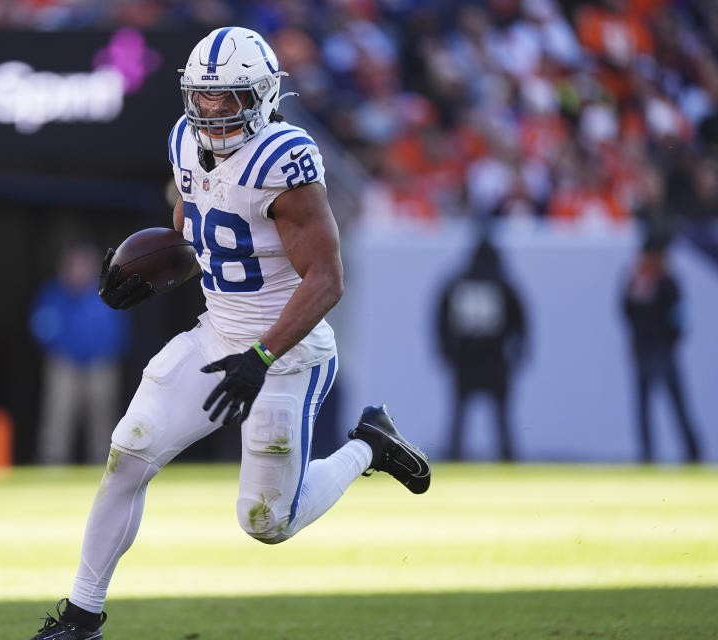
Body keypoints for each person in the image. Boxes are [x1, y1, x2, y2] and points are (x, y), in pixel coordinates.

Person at [26, 27, 431, 640]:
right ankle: (82, 618)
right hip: (218, 335)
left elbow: (326, 279)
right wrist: (146, 276)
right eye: (203, 96)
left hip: (286, 351)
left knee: (267, 522)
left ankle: (368, 445)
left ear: (264, 95)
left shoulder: (284, 160)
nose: (212, 111)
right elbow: (202, 240)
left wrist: (262, 355)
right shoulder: (184, 142)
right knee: (128, 451)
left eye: (229, 97)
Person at [30, 241, 130, 465]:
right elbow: (40, 328)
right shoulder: (53, 293)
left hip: (100, 364)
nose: (77, 270)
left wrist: (103, 353)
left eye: (82, 265)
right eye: (73, 265)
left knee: (103, 419)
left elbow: (120, 331)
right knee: (58, 417)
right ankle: (52, 465)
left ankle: (104, 467)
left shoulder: (106, 291)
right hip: (64, 364)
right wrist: (62, 350)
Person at [436, 236, 527, 462]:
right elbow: (521, 320)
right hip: (494, 358)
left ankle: (455, 456)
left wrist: (446, 350)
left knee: (459, 415)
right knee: (501, 417)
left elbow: (440, 318)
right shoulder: (503, 284)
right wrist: (518, 351)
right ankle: (507, 457)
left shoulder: (457, 283)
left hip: (465, 359)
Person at [622, 234, 701, 463]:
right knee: (643, 405)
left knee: (677, 403)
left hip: (663, 350)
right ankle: (646, 453)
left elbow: (679, 315)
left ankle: (692, 452)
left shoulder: (668, 282)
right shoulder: (635, 281)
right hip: (643, 350)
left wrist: (671, 341)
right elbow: (626, 311)